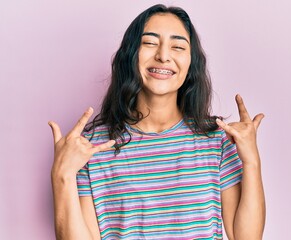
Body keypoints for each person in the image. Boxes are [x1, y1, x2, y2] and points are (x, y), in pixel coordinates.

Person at [49, 4, 265, 240]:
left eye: (178, 46)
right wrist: (63, 175)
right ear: (131, 55)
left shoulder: (217, 141)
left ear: (191, 62)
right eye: (150, 43)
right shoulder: (92, 148)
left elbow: (246, 237)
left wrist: (251, 161)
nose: (163, 56)